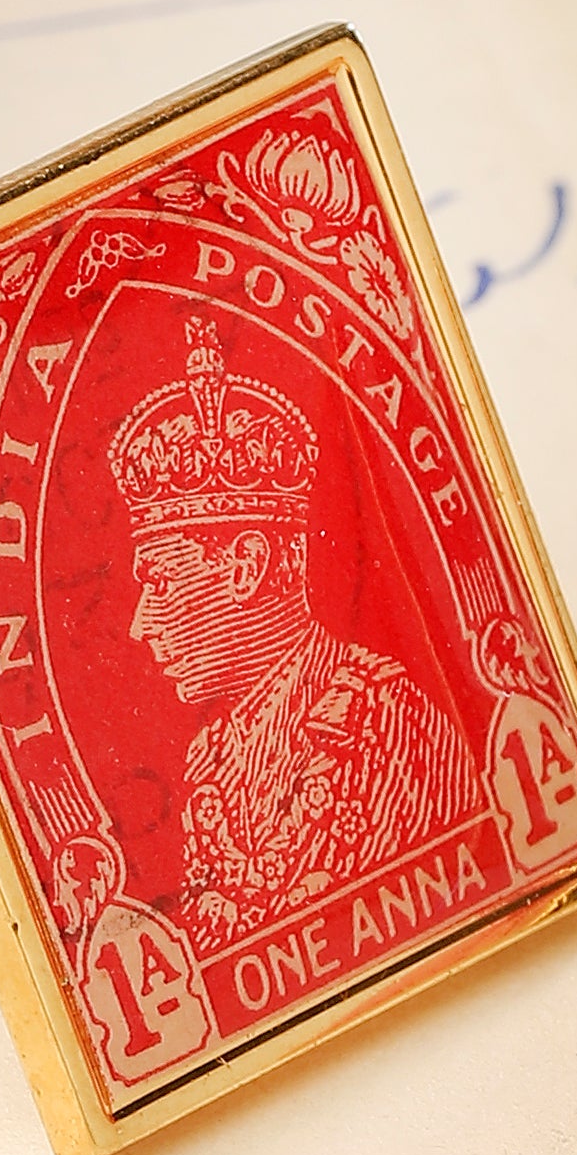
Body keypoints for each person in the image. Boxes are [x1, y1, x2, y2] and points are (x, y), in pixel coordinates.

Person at [112, 319, 481, 947]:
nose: (139, 624)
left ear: (248, 566)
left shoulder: (391, 721)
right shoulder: (213, 756)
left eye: (162, 584)